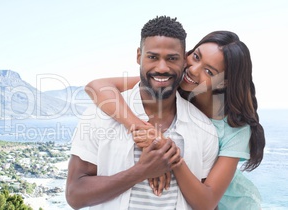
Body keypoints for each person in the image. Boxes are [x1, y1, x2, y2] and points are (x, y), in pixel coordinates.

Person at [85, 30, 265, 209]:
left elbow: (208, 202)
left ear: (223, 82)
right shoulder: (171, 84)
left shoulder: (235, 129)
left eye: (209, 71)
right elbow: (97, 86)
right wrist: (141, 129)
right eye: (195, 56)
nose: (193, 70)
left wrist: (165, 151)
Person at [66, 16, 219, 210]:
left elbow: (205, 204)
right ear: (139, 56)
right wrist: (142, 171)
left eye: (172, 58)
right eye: (152, 57)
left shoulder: (204, 130)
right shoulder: (99, 115)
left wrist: (171, 160)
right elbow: (75, 195)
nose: (162, 68)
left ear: (183, 61)